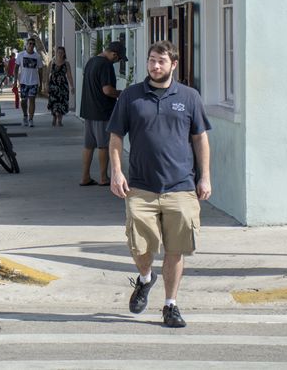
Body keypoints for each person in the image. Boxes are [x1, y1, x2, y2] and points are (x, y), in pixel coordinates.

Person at [107, 40, 211, 329]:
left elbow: (200, 138)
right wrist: (117, 172)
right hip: (140, 187)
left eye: (161, 61)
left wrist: (205, 176)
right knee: (140, 248)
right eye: (152, 60)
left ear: (173, 65)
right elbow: (115, 137)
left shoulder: (189, 97)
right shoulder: (131, 96)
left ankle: (170, 305)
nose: (155, 66)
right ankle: (145, 278)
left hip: (180, 186)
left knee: (175, 250)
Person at [79, 41, 126, 186]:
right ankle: (103, 178)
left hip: (88, 111)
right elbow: (107, 90)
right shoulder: (106, 65)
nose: (117, 62)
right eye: (118, 59)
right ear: (114, 54)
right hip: (102, 111)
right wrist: (122, 94)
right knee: (103, 145)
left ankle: (85, 176)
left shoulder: (91, 61)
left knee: (89, 145)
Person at [13, 38, 43, 127]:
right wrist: (15, 81)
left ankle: (31, 119)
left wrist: (40, 84)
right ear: (26, 45)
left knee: (32, 100)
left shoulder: (37, 56)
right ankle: (25, 116)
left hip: (33, 82)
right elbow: (16, 68)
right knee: (24, 101)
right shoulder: (21, 55)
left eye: (33, 44)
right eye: (30, 43)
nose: (31, 45)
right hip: (23, 82)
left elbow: (40, 70)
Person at [46, 46, 75, 126]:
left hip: (63, 86)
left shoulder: (66, 64)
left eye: (61, 53)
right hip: (53, 85)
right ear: (56, 53)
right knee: (54, 102)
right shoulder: (52, 62)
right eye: (58, 52)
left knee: (62, 102)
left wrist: (72, 86)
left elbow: (69, 75)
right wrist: (47, 84)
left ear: (64, 54)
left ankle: (60, 120)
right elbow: (47, 73)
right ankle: (54, 117)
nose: (60, 54)